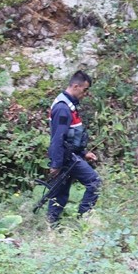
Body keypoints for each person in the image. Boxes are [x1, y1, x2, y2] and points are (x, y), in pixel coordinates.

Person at [45, 71, 101, 226]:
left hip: (68, 155)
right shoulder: (63, 108)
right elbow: (58, 138)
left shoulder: (68, 105)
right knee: (94, 182)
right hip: (66, 158)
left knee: (60, 193)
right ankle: (83, 219)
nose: (85, 94)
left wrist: (83, 153)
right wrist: (56, 164)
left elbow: (71, 136)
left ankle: (51, 225)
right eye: (84, 90)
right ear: (76, 86)